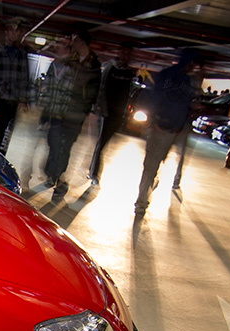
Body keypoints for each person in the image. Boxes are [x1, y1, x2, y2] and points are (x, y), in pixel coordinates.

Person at [133, 49, 202, 215]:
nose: (193, 67)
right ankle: (141, 201)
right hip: (159, 127)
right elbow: (155, 98)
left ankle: (149, 188)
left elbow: (184, 103)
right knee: (150, 164)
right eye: (191, 63)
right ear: (186, 61)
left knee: (156, 163)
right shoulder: (166, 75)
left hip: (173, 130)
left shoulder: (186, 81)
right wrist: (153, 120)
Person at [41, 28, 100, 201]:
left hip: (76, 112)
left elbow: (93, 89)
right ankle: (53, 174)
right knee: (54, 142)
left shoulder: (93, 64)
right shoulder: (71, 60)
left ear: (81, 41)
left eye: (74, 39)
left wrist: (87, 108)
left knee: (64, 145)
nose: (72, 43)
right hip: (61, 108)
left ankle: (58, 179)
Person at [87, 42, 135, 187]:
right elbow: (102, 87)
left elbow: (128, 94)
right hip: (106, 113)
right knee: (100, 144)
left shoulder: (129, 73)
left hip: (117, 115)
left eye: (128, 54)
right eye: (123, 52)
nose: (125, 56)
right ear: (119, 53)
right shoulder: (111, 67)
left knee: (103, 144)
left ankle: (93, 170)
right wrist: (100, 108)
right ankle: (94, 173)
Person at [0, 18, 31, 152]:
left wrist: (23, 99)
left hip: (14, 99)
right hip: (0, 97)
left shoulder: (21, 53)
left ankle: (2, 155)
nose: (18, 35)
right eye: (16, 31)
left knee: (8, 133)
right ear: (8, 31)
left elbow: (24, 77)